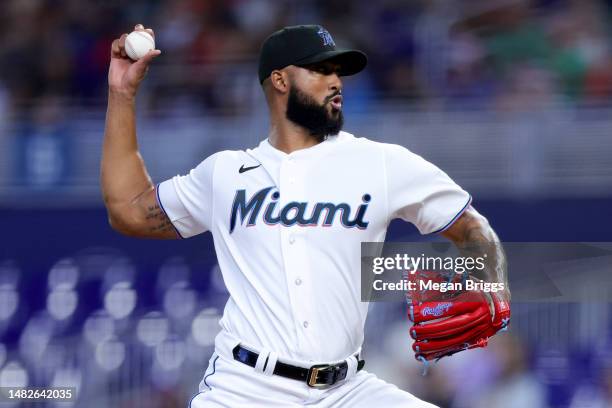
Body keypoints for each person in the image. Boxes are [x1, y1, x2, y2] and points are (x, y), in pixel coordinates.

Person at [102, 23, 509, 408]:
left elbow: (471, 226)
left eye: (338, 71)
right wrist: (122, 93)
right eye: (320, 69)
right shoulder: (224, 174)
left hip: (347, 390)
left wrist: (490, 280)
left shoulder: (380, 163)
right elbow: (130, 211)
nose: (335, 81)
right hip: (244, 388)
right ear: (280, 80)